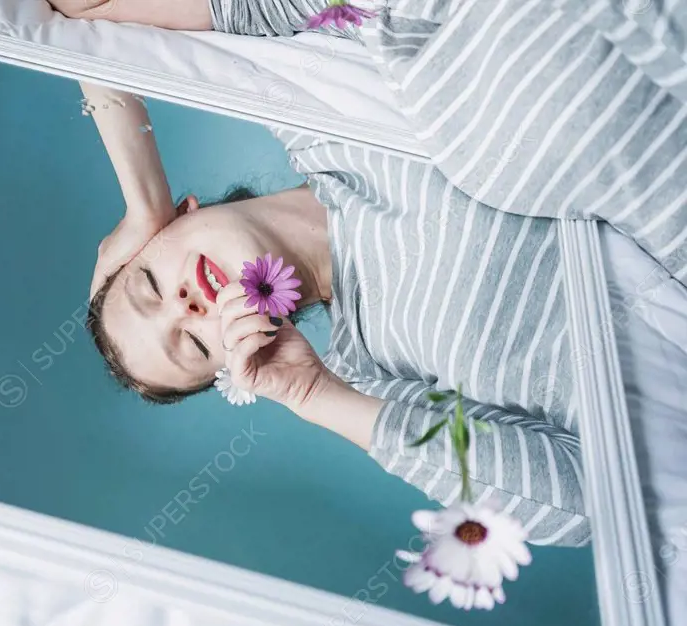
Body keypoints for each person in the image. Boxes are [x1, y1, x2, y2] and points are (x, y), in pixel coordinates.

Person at [67, 1, 687, 549]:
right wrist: (318, 396)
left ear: (180, 217)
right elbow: (598, 503)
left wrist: (141, 198)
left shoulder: (304, 85)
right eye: (195, 345)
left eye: (149, 284)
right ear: (237, 362)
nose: (184, 308)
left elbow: (80, 7)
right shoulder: (376, 376)